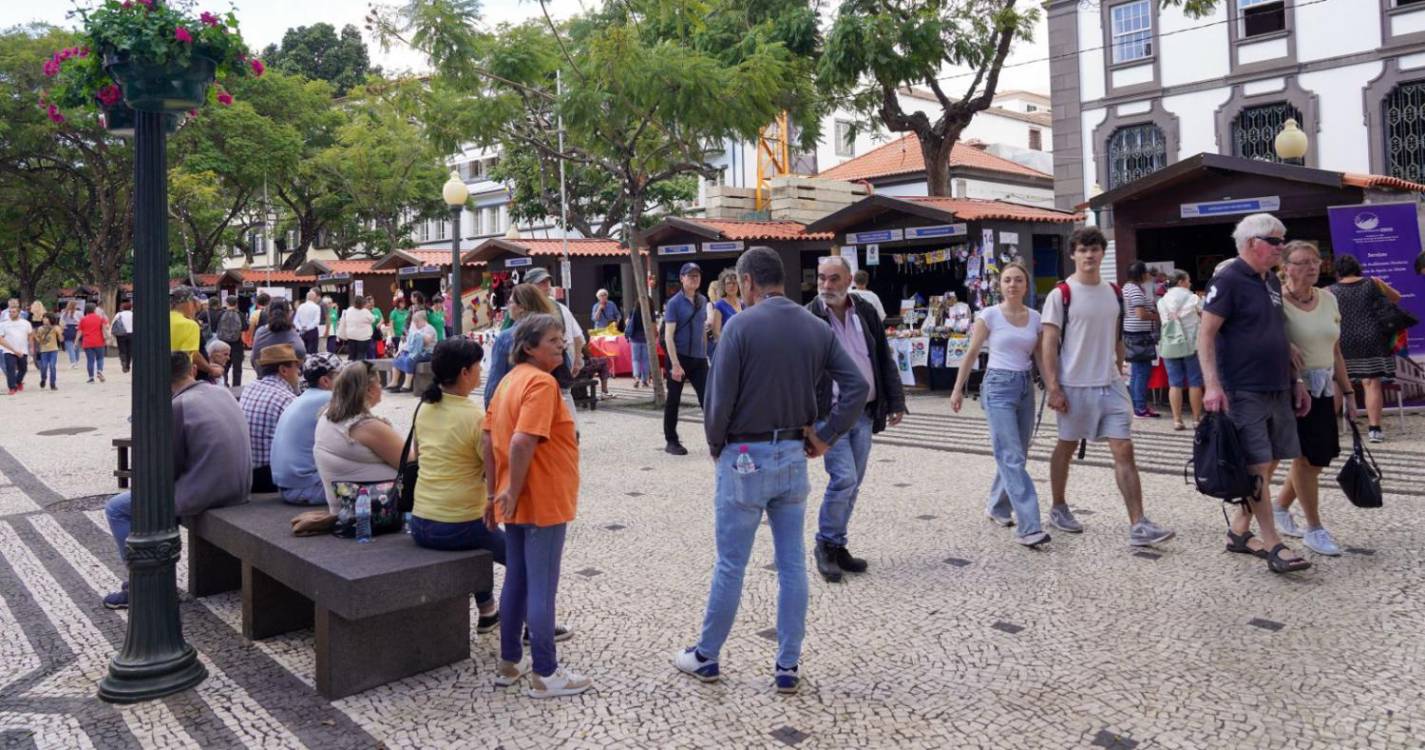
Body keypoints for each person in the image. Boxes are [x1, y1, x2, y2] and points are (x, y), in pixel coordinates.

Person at [674, 246, 868, 695]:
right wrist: (826, 433)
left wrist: (715, 446)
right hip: (793, 454)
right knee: (792, 565)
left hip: (744, 453)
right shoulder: (816, 327)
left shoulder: (739, 327)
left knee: (730, 564)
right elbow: (858, 384)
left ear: (746, 283)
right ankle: (787, 665)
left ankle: (707, 656)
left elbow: (717, 402)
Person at [1040, 227, 1175, 547]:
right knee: (1067, 447)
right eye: (1083, 249)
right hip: (1074, 386)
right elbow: (1048, 342)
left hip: (1111, 385)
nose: (1089, 255)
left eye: (1095, 249)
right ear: (1073, 254)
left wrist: (1118, 367)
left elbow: (1117, 336)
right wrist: (1053, 387)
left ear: (1102, 253)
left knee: (1124, 449)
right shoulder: (1061, 294)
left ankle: (1139, 523)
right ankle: (1058, 506)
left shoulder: (1114, 292)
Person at [1198, 213, 1312, 574]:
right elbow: (1205, 335)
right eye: (1275, 242)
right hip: (1243, 387)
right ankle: (1273, 543)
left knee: (1272, 459)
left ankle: (1238, 530)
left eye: (1283, 240)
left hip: (1278, 384)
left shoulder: (1271, 282)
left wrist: (1296, 379)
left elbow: (1276, 330)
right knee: (1257, 464)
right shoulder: (1229, 279)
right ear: (1252, 244)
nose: (1282, 247)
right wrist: (1212, 384)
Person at [484, 314, 588, 698]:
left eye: (562, 339)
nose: (561, 345)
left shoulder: (506, 383)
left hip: (515, 499)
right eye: (553, 340)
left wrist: (495, 493)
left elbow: (487, 441)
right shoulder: (541, 384)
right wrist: (509, 489)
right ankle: (545, 672)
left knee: (517, 580)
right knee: (542, 585)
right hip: (541, 499)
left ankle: (509, 663)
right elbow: (520, 442)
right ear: (529, 347)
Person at [102, 351, 251, 608]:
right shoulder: (221, 392)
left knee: (117, 508)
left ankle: (144, 585)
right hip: (241, 486)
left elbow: (164, 468)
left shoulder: (178, 406)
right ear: (192, 370)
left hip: (209, 492)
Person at [804, 255, 907, 579]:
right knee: (844, 478)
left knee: (854, 483)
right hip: (829, 415)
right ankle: (825, 544)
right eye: (822, 278)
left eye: (834, 278)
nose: (826, 285)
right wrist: (804, 420)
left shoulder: (864, 311)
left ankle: (837, 543)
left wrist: (896, 400)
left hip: (863, 413)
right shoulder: (809, 316)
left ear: (849, 280)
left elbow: (882, 357)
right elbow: (800, 371)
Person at [410, 339, 506, 636]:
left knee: (482, 536)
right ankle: (529, 621)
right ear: (465, 372)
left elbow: (420, 453)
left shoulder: (425, 407)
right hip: (457, 524)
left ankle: (488, 610)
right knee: (523, 556)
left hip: (420, 520)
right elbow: (496, 469)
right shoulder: (473, 416)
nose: (482, 371)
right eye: (479, 366)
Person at [950, 261, 1048, 547]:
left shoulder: (1035, 317)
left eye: (1018, 280)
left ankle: (996, 506)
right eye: (1007, 280)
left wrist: (1053, 387)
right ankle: (1030, 526)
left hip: (1024, 386)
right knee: (1012, 456)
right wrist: (957, 389)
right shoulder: (989, 315)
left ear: (1026, 285)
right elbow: (971, 353)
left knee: (1016, 454)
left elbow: (1040, 357)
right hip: (997, 387)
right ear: (1000, 286)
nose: (1012, 285)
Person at [1273, 240, 1357, 557]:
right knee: (1305, 459)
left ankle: (1281, 506)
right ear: (1285, 267)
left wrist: (1348, 391)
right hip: (1293, 390)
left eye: (1316, 260)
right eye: (1303, 261)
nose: (1312, 266)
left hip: (1324, 388)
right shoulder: (1276, 302)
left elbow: (1335, 350)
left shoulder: (1328, 298)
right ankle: (1314, 528)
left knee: (1319, 457)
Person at [314, 361, 405, 515]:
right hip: (370, 510)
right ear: (369, 390)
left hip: (342, 507)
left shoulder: (328, 414)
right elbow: (411, 464)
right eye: (380, 384)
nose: (381, 388)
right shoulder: (365, 426)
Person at [1331, 253, 1401, 443]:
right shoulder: (1372, 283)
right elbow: (1396, 298)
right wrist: (1382, 284)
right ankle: (1374, 429)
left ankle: (1328, 430)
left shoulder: (1329, 290)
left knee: (1337, 382)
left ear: (1337, 271)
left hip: (1342, 339)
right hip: (1372, 338)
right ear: (1358, 268)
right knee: (1371, 383)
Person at [271, 352, 342, 505]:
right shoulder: (329, 399)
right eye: (342, 377)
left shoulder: (303, 398)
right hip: (308, 487)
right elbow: (356, 441)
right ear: (325, 381)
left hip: (289, 485)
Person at [240, 344, 302, 493]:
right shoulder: (286, 399)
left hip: (246, 471)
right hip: (268, 477)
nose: (299, 372)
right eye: (296, 367)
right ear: (283, 370)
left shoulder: (251, 387)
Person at [485, 285, 558, 407]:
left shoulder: (506, 337)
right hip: (548, 399)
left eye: (511, 302)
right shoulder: (553, 332)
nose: (508, 306)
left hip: (515, 402)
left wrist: (490, 410)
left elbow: (495, 381)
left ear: (522, 307)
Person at [662, 262, 709, 455]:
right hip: (678, 357)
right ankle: (671, 440)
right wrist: (674, 364)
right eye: (690, 276)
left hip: (698, 358)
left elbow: (702, 331)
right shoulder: (674, 303)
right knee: (674, 399)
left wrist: (705, 353)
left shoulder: (703, 301)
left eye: (696, 275)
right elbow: (668, 336)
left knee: (708, 399)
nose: (694, 279)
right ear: (682, 279)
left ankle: (717, 437)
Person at [1156, 269, 1204, 430]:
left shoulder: (1162, 301)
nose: (1190, 283)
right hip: (1191, 344)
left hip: (1170, 345)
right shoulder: (1193, 298)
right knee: (1195, 382)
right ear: (1182, 281)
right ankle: (1196, 419)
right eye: (1188, 280)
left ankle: (1177, 420)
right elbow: (1204, 315)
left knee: (1174, 383)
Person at [1122, 261, 1160, 418]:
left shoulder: (1127, 288)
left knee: (1137, 372)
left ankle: (1138, 406)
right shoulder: (1135, 291)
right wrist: (1156, 316)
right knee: (1142, 372)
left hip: (1132, 333)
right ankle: (1140, 408)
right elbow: (1140, 314)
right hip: (1139, 336)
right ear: (1142, 274)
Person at [170, 286, 221, 381]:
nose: (198, 308)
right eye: (198, 303)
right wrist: (211, 370)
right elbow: (193, 356)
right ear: (190, 302)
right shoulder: (189, 324)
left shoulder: (162, 320)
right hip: (183, 377)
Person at [250, 298, 306, 378]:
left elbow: (253, 359)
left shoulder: (260, 332)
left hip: (263, 378)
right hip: (289, 381)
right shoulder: (291, 333)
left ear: (268, 313)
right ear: (289, 313)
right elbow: (301, 354)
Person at [388, 310, 438, 393]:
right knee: (398, 359)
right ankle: (394, 382)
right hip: (416, 351)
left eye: (417, 322)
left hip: (427, 353)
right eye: (415, 322)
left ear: (423, 320)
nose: (416, 324)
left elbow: (427, 341)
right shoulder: (417, 329)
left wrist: (418, 335)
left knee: (410, 359)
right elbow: (409, 343)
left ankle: (407, 384)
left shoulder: (429, 328)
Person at [707, 269, 742, 361]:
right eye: (728, 283)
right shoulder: (720, 305)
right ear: (724, 286)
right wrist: (730, 347)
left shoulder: (743, 303)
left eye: (734, 283)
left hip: (743, 348)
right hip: (728, 350)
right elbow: (716, 333)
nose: (731, 286)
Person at [1, 304, 33, 394]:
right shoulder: (3, 324)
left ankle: (18, 382)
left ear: (19, 313)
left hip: (23, 350)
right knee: (10, 369)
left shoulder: (26, 323)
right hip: (9, 350)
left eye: (14, 312)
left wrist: (31, 347)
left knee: (23, 369)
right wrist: (13, 350)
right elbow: (1, 339)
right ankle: (12, 387)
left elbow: (30, 335)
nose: (11, 313)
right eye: (10, 312)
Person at [215, 296, 246, 387]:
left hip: (223, 344)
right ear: (236, 304)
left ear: (226, 303)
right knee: (237, 368)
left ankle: (224, 385)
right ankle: (236, 387)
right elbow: (245, 327)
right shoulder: (240, 314)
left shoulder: (220, 313)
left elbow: (215, 326)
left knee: (224, 366)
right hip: (237, 344)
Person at [76, 303, 108, 383]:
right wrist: (106, 338)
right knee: (100, 358)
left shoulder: (83, 319)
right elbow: (104, 329)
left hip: (87, 342)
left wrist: (76, 341)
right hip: (99, 341)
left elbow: (79, 331)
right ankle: (99, 370)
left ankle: (91, 378)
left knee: (90, 360)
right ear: (94, 310)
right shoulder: (100, 318)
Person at [337, 297, 375, 362]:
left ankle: (350, 369)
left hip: (351, 336)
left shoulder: (349, 310)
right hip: (363, 338)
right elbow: (373, 320)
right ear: (363, 303)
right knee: (361, 355)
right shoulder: (365, 311)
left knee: (352, 355)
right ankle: (359, 370)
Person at [624, 295, 651, 389]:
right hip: (646, 337)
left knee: (636, 359)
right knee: (645, 360)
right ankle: (645, 381)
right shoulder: (649, 311)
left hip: (635, 337)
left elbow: (627, 322)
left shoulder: (634, 310)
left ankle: (636, 377)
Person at [32, 313, 61, 391]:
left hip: (53, 350)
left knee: (52, 366)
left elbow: (61, 339)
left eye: (46, 318)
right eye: (43, 318)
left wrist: (60, 332)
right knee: (43, 367)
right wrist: (35, 335)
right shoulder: (40, 329)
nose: (44, 319)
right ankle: (43, 379)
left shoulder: (55, 328)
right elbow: (39, 340)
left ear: (50, 319)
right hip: (44, 350)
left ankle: (52, 383)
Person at [295, 290, 324, 355]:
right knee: (312, 352)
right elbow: (316, 321)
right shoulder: (316, 307)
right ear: (314, 298)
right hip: (312, 331)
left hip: (301, 331)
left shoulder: (300, 306)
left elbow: (295, 320)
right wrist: (307, 328)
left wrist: (300, 327)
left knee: (303, 352)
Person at [111, 301, 134, 374]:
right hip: (131, 334)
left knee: (122, 349)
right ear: (131, 307)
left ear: (123, 307)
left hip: (121, 334)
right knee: (129, 350)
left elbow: (113, 323)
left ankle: (123, 361)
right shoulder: (133, 314)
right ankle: (128, 365)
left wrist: (112, 333)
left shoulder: (119, 314)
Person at [60, 300, 82, 369]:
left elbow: (61, 322)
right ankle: (77, 360)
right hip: (77, 328)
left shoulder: (64, 312)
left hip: (68, 328)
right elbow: (82, 321)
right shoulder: (79, 313)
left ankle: (73, 362)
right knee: (77, 346)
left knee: (70, 347)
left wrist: (63, 328)